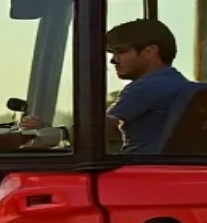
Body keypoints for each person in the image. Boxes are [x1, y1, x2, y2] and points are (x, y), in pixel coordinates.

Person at [22, 18, 189, 154]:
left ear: (149, 51)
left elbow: (100, 128)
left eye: (121, 51)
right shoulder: (176, 82)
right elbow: (119, 130)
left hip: (137, 168)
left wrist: (50, 136)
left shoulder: (148, 87)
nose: (113, 60)